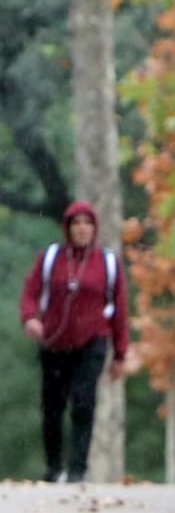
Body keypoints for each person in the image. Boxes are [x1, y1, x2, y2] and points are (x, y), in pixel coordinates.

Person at [19, 200, 129, 483]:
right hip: (54, 343)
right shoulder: (50, 259)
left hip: (92, 343)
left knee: (83, 402)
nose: (82, 229)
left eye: (87, 223)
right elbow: (30, 293)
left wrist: (120, 354)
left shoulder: (107, 263)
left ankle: (78, 470)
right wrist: (31, 318)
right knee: (52, 406)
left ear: (94, 228)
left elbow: (119, 309)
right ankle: (53, 467)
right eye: (76, 223)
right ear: (68, 228)